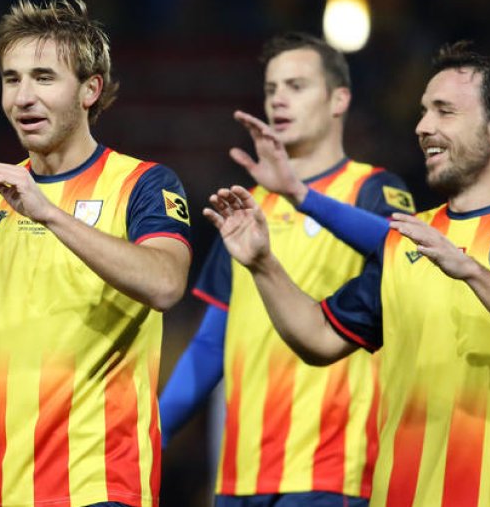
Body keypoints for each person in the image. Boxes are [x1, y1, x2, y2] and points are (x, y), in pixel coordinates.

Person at [203, 44, 490, 507]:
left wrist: (471, 271)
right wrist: (263, 264)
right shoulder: (406, 238)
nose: (423, 126)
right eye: (424, 112)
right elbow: (320, 338)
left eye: (444, 112)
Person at [0, 0, 193, 507]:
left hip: (102, 486)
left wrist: (49, 213)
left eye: (44, 78)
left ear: (90, 89)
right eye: (11, 78)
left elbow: (166, 283)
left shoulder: (143, 184)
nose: (23, 97)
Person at [159, 33, 415, 506]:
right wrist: (157, 432)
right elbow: (212, 341)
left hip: (333, 471)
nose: (278, 98)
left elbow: (403, 248)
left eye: (296, 86)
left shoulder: (372, 188)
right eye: (271, 87)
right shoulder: (250, 207)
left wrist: (304, 196)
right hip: (241, 476)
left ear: (339, 98)